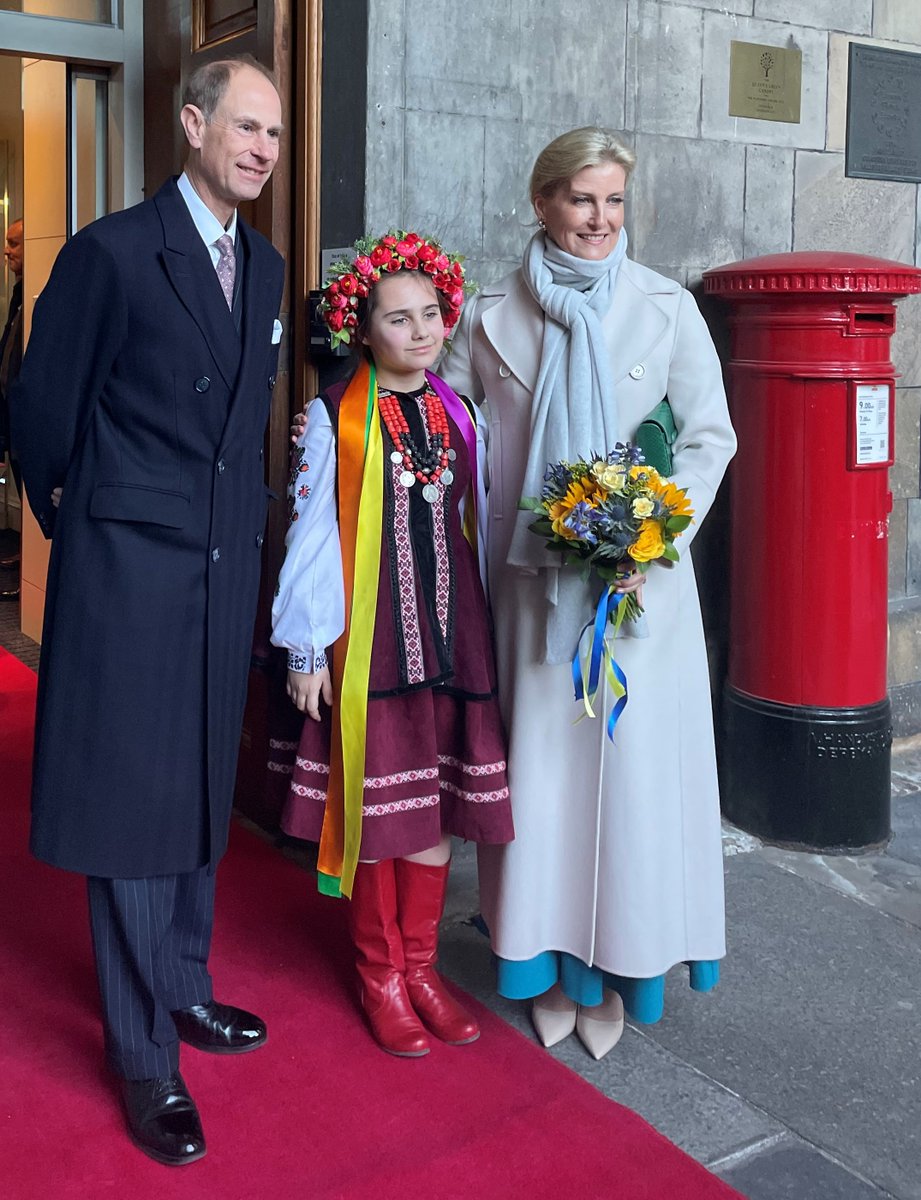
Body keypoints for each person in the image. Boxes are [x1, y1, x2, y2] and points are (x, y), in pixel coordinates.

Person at [10, 56, 285, 1165]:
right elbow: (40, 406)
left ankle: (182, 985)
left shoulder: (263, 268)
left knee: (198, 789)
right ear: (191, 124)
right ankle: (141, 1058)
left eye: (275, 132)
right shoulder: (114, 252)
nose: (263, 147)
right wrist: (90, 519)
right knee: (131, 807)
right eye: (247, 127)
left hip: (222, 573)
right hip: (128, 570)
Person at [439, 127, 737, 1060]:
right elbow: (442, 424)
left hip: (637, 595)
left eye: (612, 202)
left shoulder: (667, 309)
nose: (599, 220)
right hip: (531, 594)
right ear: (542, 203)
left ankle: (617, 971)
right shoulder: (488, 318)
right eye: (581, 200)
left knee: (630, 792)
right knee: (545, 788)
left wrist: (656, 530)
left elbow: (707, 436)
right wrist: (343, 421)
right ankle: (540, 963)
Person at [272, 232, 513, 1058]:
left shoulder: (459, 411)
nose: (420, 331)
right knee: (383, 815)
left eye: (431, 315)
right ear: (362, 329)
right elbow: (310, 532)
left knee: (437, 809)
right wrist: (307, 647)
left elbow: (474, 522)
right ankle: (379, 974)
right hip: (373, 639)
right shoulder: (332, 416)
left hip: (455, 633)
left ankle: (421, 966)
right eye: (398, 318)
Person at [0, 218, 23, 599]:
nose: (7, 251)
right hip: (11, 419)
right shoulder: (19, 292)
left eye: (14, 244)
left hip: (24, 421)